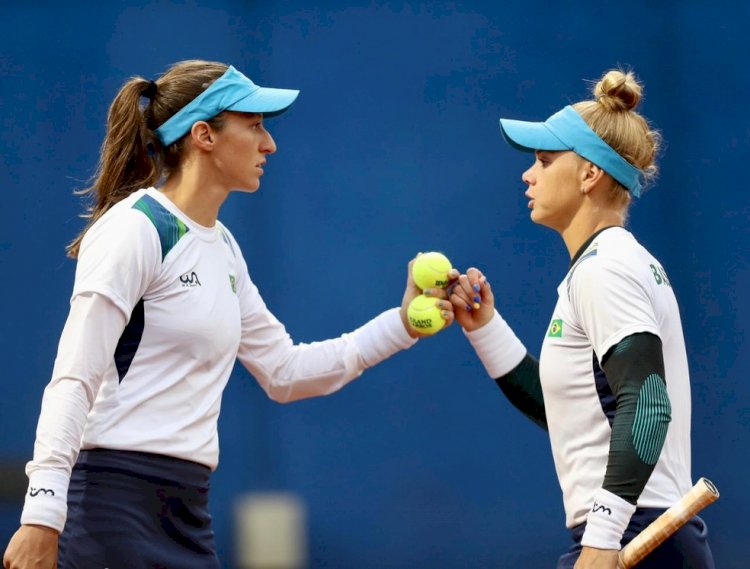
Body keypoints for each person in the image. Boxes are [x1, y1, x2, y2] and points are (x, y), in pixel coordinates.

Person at [2, 60, 456, 569]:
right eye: (255, 126)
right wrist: (42, 514)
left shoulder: (223, 248)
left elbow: (286, 372)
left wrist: (402, 324)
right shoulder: (135, 229)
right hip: (110, 506)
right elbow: (73, 378)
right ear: (204, 136)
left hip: (189, 513)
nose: (270, 144)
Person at [449, 69, 714, 568]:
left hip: (633, 534)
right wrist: (485, 328)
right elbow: (575, 415)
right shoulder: (611, 263)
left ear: (590, 174)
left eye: (545, 161)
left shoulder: (606, 268)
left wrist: (602, 537)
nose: (529, 175)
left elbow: (649, 404)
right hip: (642, 530)